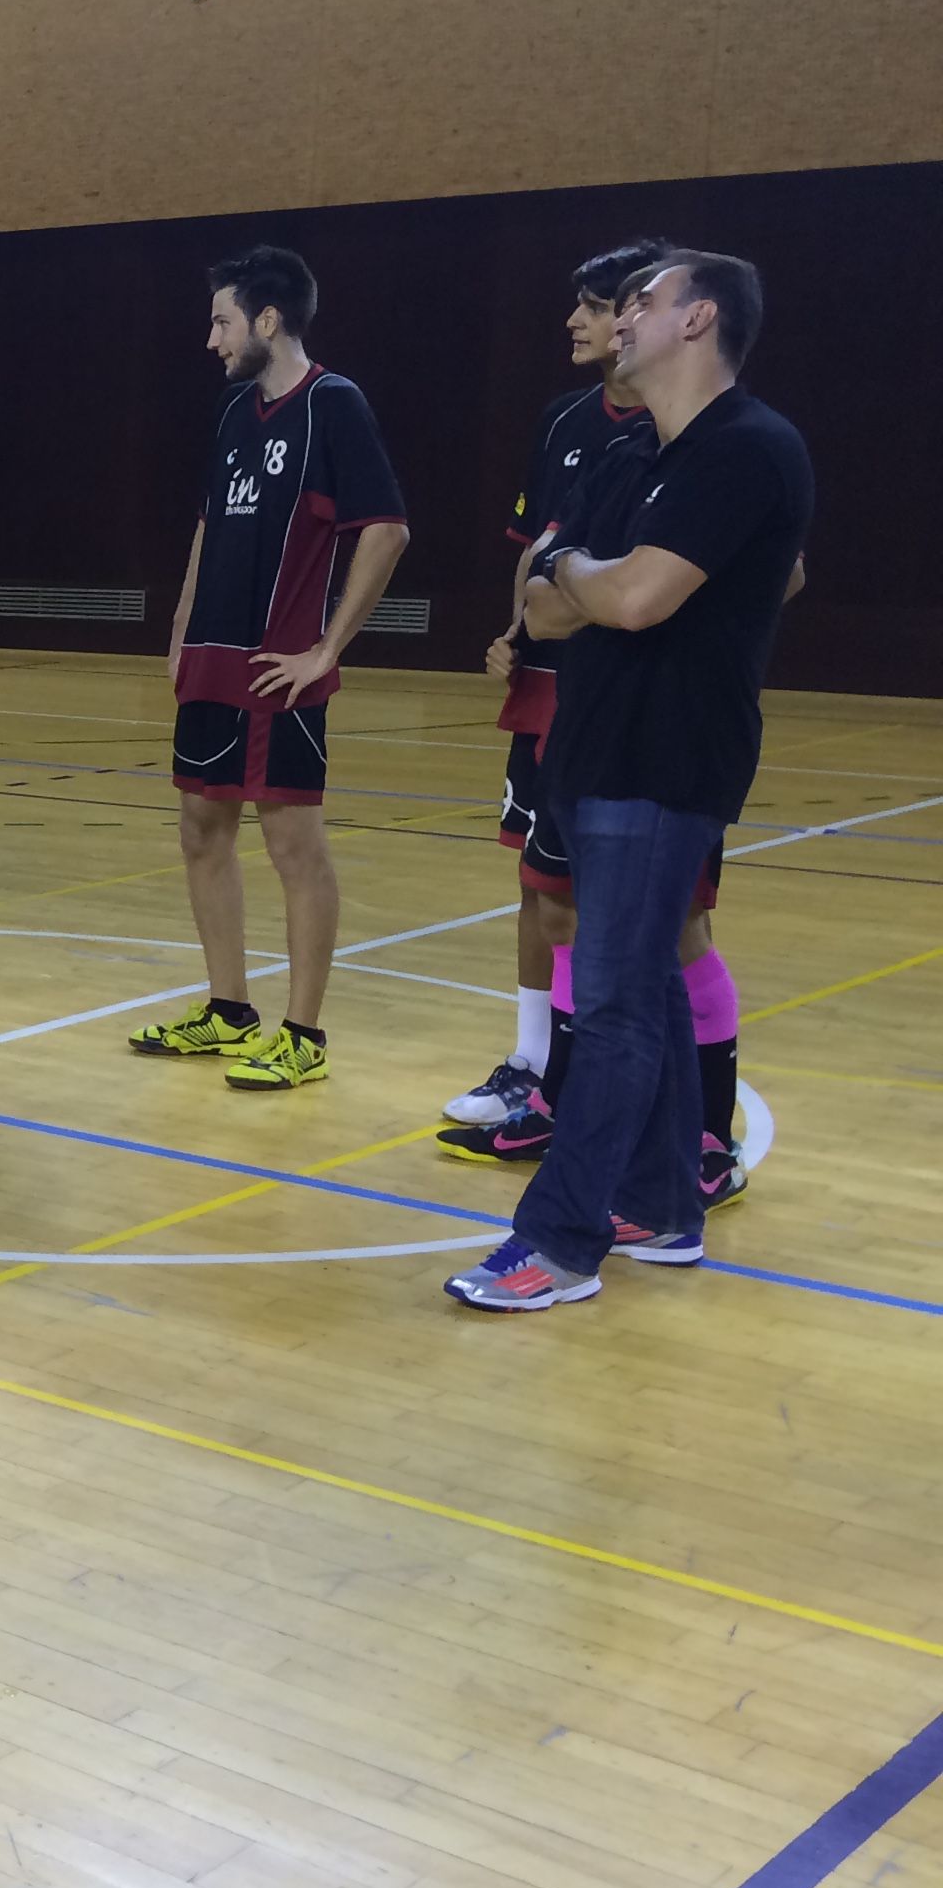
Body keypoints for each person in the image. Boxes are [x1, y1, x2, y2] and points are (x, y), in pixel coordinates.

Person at [447, 252, 810, 1309]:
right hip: (596, 751)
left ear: (699, 319)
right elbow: (546, 597)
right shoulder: (630, 455)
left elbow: (640, 596)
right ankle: (662, 1207)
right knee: (638, 988)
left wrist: (592, 582)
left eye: (642, 300)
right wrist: (583, 583)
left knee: (609, 1008)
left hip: (670, 759)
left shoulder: (749, 450)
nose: (618, 317)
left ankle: (558, 1245)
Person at [128, 247, 411, 1089]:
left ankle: (304, 1033)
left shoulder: (334, 405)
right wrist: (181, 621)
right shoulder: (229, 414)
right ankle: (227, 1009)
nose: (209, 338)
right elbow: (212, 522)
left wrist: (327, 647)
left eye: (220, 320)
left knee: (293, 844)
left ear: (267, 320)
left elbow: (386, 528)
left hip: (277, 665)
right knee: (199, 830)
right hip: (212, 655)